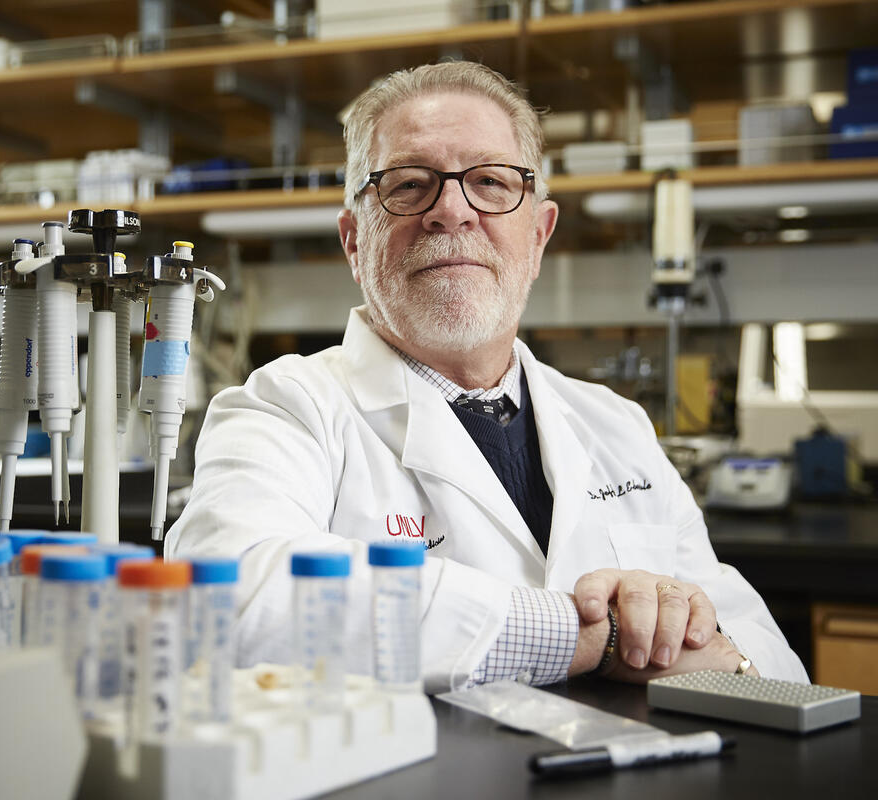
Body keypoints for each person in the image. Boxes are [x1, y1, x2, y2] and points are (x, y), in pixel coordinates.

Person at [165, 61, 807, 691]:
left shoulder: (615, 425)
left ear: (539, 236)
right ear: (354, 239)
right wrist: (590, 636)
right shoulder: (285, 409)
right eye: (410, 184)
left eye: (492, 183)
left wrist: (732, 664)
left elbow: (763, 650)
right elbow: (223, 596)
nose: (452, 210)